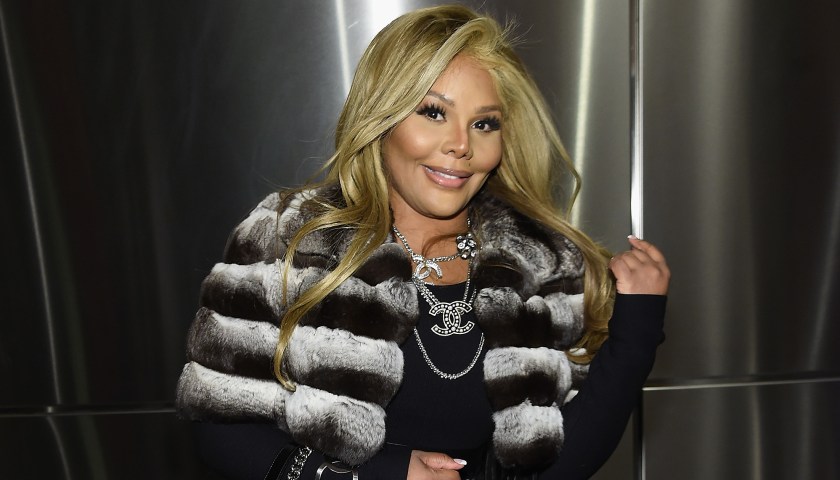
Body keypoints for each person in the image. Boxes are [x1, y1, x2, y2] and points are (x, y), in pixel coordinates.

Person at [176, 5, 670, 480]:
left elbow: (555, 463)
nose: (462, 145)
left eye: (484, 123)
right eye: (433, 112)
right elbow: (218, 427)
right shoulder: (294, 238)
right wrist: (379, 476)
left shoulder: (537, 261)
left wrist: (636, 335)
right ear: (383, 117)